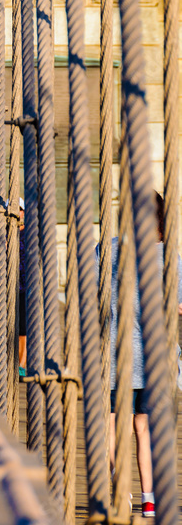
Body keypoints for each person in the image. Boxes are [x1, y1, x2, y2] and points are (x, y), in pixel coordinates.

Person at [97, 192, 182, 518]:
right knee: (143, 428)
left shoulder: (110, 248)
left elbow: (90, 291)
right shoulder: (168, 257)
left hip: (118, 358)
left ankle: (122, 492)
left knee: (112, 426)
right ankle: (149, 498)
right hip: (154, 361)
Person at [18, 198, 26, 376]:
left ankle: (22, 364)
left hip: (26, 287)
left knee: (24, 328)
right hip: (6, 287)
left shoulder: (30, 234)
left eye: (20, 210)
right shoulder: (1, 233)